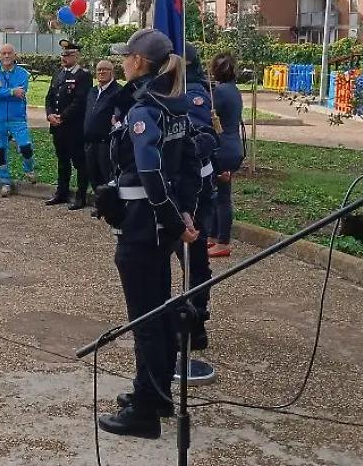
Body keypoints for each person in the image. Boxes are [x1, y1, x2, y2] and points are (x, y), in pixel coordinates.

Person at [97, 29, 201, 439]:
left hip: (144, 226)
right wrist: (185, 212)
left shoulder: (144, 110)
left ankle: (145, 410)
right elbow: (192, 163)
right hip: (162, 225)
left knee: (145, 318)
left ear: (138, 63)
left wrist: (173, 218)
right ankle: (155, 394)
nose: (122, 61)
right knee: (159, 313)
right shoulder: (174, 106)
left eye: (126, 57)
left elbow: (150, 170)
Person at [181, 42, 221, 348]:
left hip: (195, 188)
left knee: (194, 259)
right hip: (172, 186)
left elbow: (202, 138)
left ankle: (196, 322)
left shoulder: (193, 91)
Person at [45, 39, 92, 209]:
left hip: (73, 127)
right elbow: (49, 97)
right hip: (57, 127)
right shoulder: (58, 74)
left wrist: (62, 117)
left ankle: (81, 196)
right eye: (62, 54)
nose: (64, 57)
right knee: (62, 161)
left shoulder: (83, 75)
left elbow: (80, 101)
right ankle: (61, 193)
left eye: (68, 54)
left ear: (76, 56)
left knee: (79, 162)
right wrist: (50, 114)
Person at [0, 44, 37, 197]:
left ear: (15, 55)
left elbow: (21, 92)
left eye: (9, 53)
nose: (6, 56)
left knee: (25, 146)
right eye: (3, 53)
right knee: (0, 151)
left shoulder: (22, 74)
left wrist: (7, 93)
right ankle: (5, 182)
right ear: (0, 56)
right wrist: (11, 91)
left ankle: (29, 169)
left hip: (17, 118)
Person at [209, 52, 244, 258]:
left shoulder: (219, 92)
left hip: (222, 148)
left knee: (221, 197)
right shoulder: (234, 90)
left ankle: (222, 241)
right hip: (232, 146)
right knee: (219, 195)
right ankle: (214, 238)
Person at [84, 59, 124, 194]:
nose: (101, 72)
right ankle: (99, 203)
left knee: (107, 176)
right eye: (99, 70)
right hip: (90, 142)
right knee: (93, 175)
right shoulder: (92, 91)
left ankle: (110, 207)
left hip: (106, 143)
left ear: (112, 72)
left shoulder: (118, 91)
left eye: (105, 69)